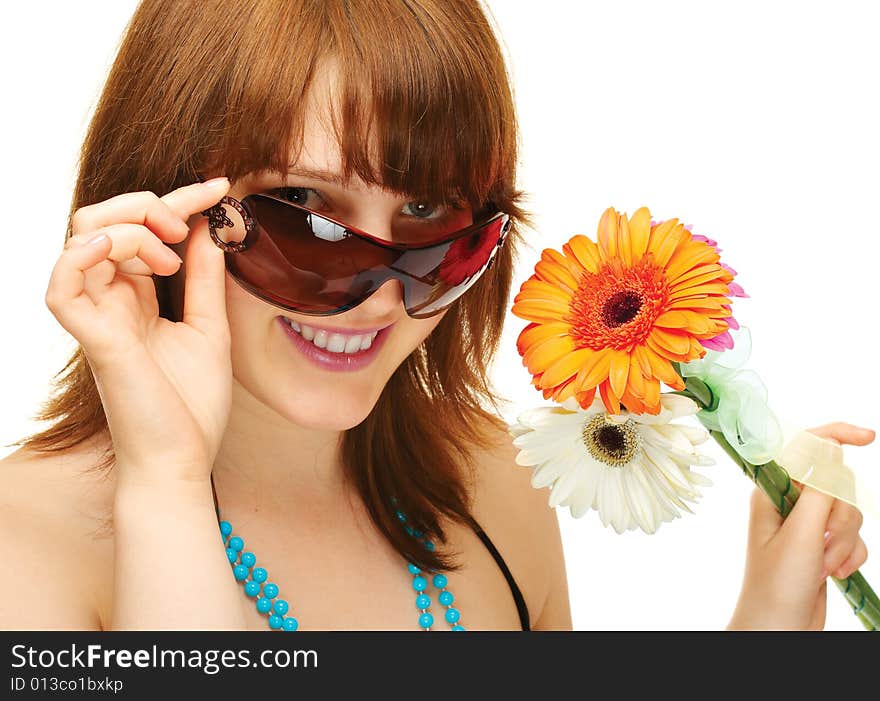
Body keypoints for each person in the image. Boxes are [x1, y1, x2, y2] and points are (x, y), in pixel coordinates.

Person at [0, 0, 870, 631]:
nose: (381, 292)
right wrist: (167, 482)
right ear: (157, 209)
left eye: (430, 223)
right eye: (303, 211)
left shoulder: (494, 484)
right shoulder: (24, 547)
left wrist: (773, 614)